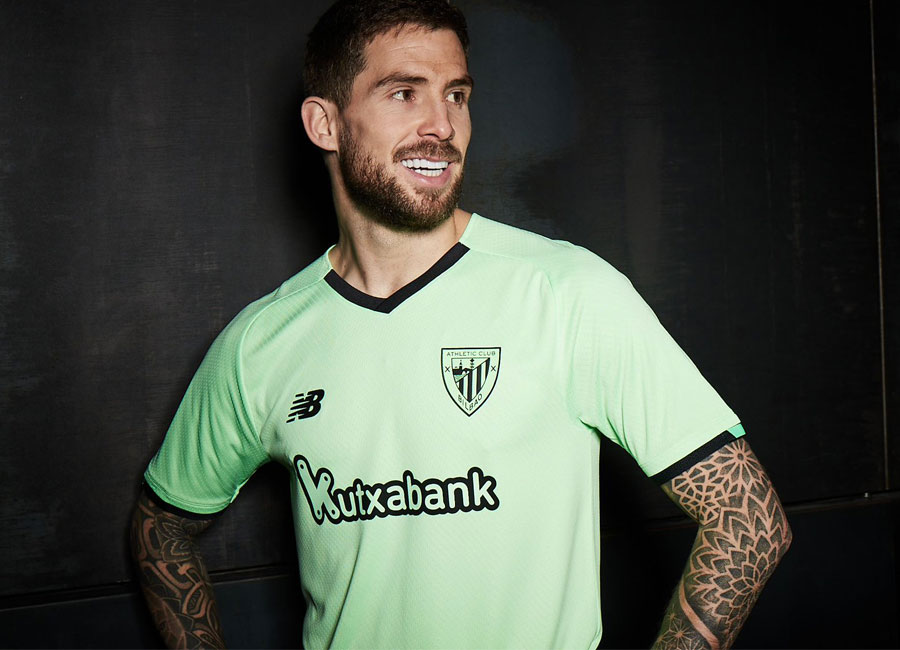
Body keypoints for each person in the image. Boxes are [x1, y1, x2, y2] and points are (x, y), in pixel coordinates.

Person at [130, 0, 792, 648]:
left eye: (456, 95)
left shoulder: (567, 292)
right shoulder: (261, 342)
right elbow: (161, 529)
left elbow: (748, 520)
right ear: (324, 123)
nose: (442, 125)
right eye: (404, 94)